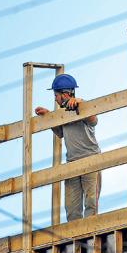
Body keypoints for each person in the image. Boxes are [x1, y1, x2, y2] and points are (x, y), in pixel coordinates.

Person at [35, 74, 102, 221]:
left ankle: (91, 236)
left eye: (56, 95)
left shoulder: (81, 104)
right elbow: (60, 133)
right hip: (72, 162)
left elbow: (93, 120)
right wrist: (49, 117)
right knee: (72, 208)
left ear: (65, 94)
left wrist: (78, 103)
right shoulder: (61, 113)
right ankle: (77, 242)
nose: (55, 99)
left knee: (91, 203)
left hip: (90, 158)